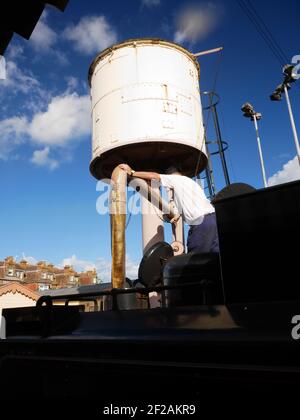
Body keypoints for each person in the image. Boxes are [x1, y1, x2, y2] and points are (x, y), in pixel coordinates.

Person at [118, 163, 219, 253]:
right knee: (214, 259)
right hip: (215, 220)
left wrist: (131, 172)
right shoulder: (191, 183)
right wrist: (178, 215)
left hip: (202, 225)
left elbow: (154, 176)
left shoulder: (174, 178)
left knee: (196, 261)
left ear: (171, 172)